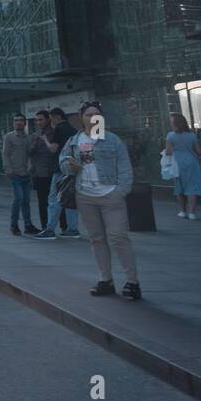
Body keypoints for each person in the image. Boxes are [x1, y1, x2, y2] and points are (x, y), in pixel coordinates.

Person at [63, 101, 140, 300]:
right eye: (89, 114)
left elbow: (125, 166)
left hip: (110, 195)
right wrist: (69, 165)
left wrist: (121, 190)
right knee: (97, 239)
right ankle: (105, 280)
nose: (94, 117)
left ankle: (132, 282)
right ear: (81, 117)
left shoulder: (112, 140)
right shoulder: (74, 140)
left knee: (118, 237)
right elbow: (62, 161)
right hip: (85, 195)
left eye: (97, 114)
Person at [34, 107, 82, 239]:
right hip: (73, 169)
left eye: (51, 118)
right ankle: (73, 229)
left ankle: (49, 229)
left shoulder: (59, 130)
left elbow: (53, 149)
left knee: (54, 199)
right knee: (70, 199)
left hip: (61, 169)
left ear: (56, 117)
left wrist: (44, 139)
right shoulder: (73, 130)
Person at [3, 115, 39, 236]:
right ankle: (14, 225)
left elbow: (30, 153)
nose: (18, 122)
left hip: (26, 173)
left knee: (26, 200)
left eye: (20, 120)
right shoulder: (9, 137)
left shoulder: (27, 138)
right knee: (18, 198)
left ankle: (28, 225)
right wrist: (7, 168)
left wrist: (35, 141)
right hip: (14, 173)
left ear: (25, 123)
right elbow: (5, 154)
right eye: (15, 120)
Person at [165, 113, 201, 220]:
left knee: (179, 188)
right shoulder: (192, 135)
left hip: (177, 164)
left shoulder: (170, 136)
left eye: (172, 122)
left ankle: (183, 211)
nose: (171, 124)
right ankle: (192, 213)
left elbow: (168, 152)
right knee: (192, 188)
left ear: (175, 124)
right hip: (192, 163)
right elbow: (198, 151)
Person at [28, 110, 55, 230]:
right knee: (42, 201)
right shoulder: (34, 136)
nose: (38, 122)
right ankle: (45, 226)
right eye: (37, 120)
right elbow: (29, 152)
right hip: (39, 173)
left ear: (48, 120)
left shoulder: (54, 133)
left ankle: (63, 225)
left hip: (53, 171)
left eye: (41, 119)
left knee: (56, 201)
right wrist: (35, 141)